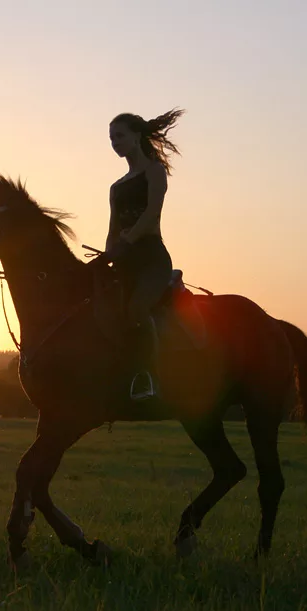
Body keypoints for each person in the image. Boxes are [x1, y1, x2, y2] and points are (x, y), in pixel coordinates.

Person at [101, 108, 183, 400]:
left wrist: (129, 240)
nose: (115, 142)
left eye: (120, 136)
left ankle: (148, 376)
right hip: (124, 259)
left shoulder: (154, 171)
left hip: (151, 259)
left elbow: (152, 213)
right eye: (111, 138)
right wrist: (107, 257)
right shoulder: (116, 187)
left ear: (137, 136)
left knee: (136, 309)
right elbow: (112, 228)